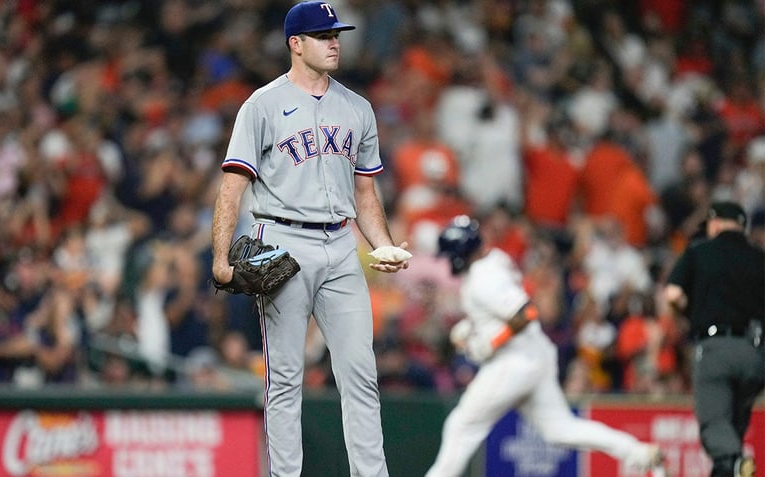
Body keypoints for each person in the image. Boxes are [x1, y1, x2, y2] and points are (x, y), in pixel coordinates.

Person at [210, 2, 410, 476]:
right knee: (285, 378)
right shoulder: (260, 105)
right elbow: (232, 187)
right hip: (281, 241)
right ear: (295, 44)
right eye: (322, 35)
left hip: (342, 245)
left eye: (335, 33)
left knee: (361, 375)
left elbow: (365, 191)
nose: (334, 42)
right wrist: (221, 256)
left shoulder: (357, 108)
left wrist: (381, 242)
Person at [426, 215, 666, 477]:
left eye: (451, 253)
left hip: (513, 361)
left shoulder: (485, 278)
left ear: (461, 252)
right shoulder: (492, 260)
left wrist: (489, 342)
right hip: (534, 355)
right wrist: (475, 328)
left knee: (461, 425)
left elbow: (526, 313)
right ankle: (636, 452)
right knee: (560, 429)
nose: (449, 260)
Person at [663, 201, 764, 477]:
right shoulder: (760, 257)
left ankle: (734, 463)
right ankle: (730, 467)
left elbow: (673, 294)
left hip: (716, 349)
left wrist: (688, 310)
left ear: (715, 223)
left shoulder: (699, 252)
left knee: (716, 426)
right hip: (756, 354)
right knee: (732, 431)